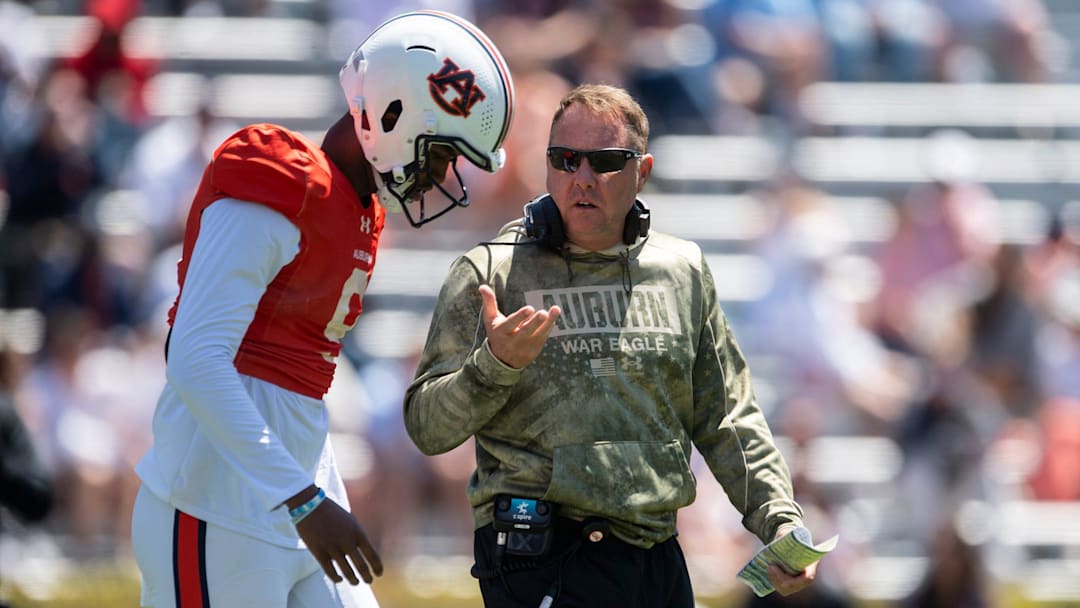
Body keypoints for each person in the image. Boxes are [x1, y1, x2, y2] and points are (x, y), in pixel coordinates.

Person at [130, 10, 515, 607]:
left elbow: (297, 388)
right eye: (442, 153)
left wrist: (314, 485)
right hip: (214, 502)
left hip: (293, 491)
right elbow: (195, 358)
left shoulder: (357, 207)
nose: (442, 175)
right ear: (394, 114)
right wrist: (301, 496)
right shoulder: (282, 185)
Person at [404, 83, 819, 607]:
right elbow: (427, 427)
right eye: (565, 158)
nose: (582, 177)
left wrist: (778, 520)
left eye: (604, 161)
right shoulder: (491, 271)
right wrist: (494, 365)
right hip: (539, 560)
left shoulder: (682, 272)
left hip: (655, 557)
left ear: (641, 172)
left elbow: (728, 418)